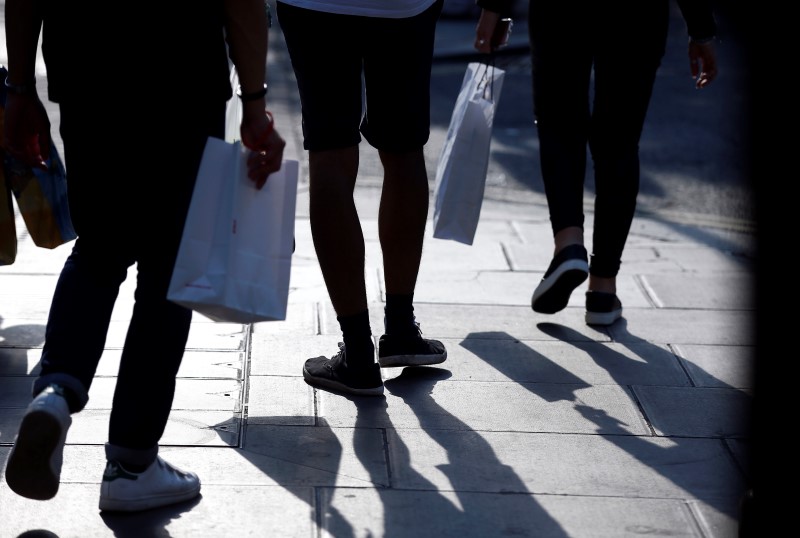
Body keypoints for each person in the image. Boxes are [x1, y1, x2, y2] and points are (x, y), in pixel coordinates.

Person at [2, 0, 285, 512]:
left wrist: (21, 87)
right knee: (169, 266)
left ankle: (56, 395)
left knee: (99, 249)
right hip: (183, 68)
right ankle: (132, 464)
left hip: (85, 66)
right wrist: (254, 100)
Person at [473, 0, 718, 325]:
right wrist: (701, 30)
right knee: (619, 142)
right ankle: (603, 287)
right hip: (638, 14)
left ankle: (569, 244)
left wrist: (495, 7)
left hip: (561, 11)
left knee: (559, 124)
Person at [275, 0, 447, 397]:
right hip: (403, 5)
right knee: (404, 150)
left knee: (330, 154)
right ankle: (401, 328)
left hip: (317, 5)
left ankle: (357, 353)